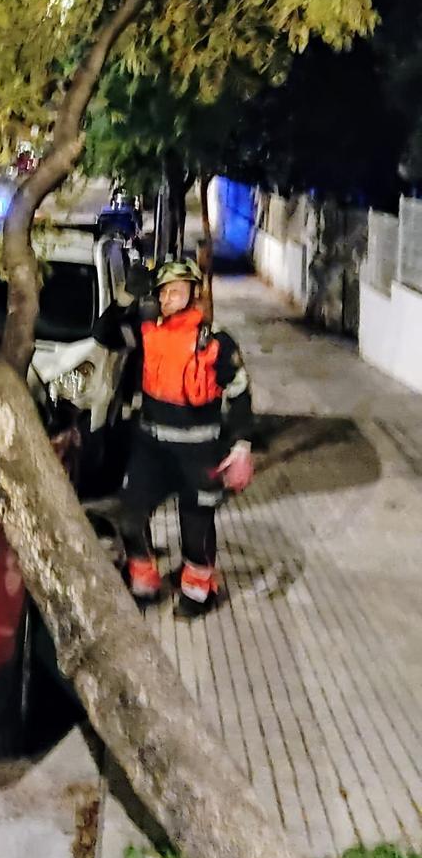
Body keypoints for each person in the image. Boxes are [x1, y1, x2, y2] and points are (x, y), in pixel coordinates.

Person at [111, 257, 254, 618]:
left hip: (199, 451)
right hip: (151, 448)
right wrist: (129, 295)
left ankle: (198, 589)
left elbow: (239, 392)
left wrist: (241, 445)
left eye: (176, 291)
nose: (168, 298)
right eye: (163, 292)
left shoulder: (216, 341)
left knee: (196, 525)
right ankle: (144, 580)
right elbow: (104, 333)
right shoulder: (147, 332)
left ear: (194, 293)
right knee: (130, 515)